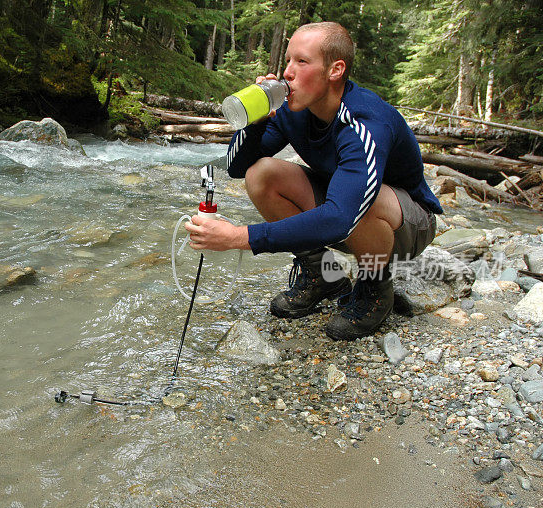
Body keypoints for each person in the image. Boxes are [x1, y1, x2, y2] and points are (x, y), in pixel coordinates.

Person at [184, 21, 442, 340]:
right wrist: (255, 124)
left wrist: (238, 237)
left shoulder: (364, 123)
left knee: (365, 199)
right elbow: (237, 167)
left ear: (335, 70)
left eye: (302, 62)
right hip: (346, 207)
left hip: (408, 224)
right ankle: (323, 274)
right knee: (261, 174)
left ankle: (375, 288)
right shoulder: (295, 109)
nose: (287, 72)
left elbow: (340, 218)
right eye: (288, 61)